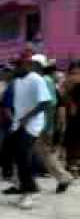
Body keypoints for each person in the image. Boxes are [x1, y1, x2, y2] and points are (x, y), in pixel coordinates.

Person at [2, 53, 52, 209]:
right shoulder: (17, 81)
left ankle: (32, 191)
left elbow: (45, 103)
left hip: (32, 124)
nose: (15, 68)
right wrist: (17, 120)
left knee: (23, 155)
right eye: (14, 64)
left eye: (18, 64)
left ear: (28, 64)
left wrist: (27, 117)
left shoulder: (36, 79)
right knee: (13, 155)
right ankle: (25, 189)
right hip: (19, 123)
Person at [31, 55, 73, 193]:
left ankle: (63, 177)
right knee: (43, 155)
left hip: (43, 126)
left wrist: (48, 128)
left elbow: (50, 105)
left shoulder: (45, 80)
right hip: (39, 125)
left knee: (44, 155)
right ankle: (63, 177)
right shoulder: (41, 80)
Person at [64, 60, 80, 177]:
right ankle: (71, 166)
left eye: (78, 73)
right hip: (71, 118)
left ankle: (75, 166)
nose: (75, 76)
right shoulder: (66, 85)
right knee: (72, 143)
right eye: (73, 73)